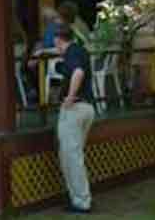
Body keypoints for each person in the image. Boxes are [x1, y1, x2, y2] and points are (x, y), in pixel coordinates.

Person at [55, 25, 95, 213]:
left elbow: (78, 72)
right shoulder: (80, 50)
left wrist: (70, 97)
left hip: (75, 108)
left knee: (72, 157)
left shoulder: (71, 52)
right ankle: (76, 198)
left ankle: (82, 201)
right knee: (69, 155)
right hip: (87, 108)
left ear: (58, 40)